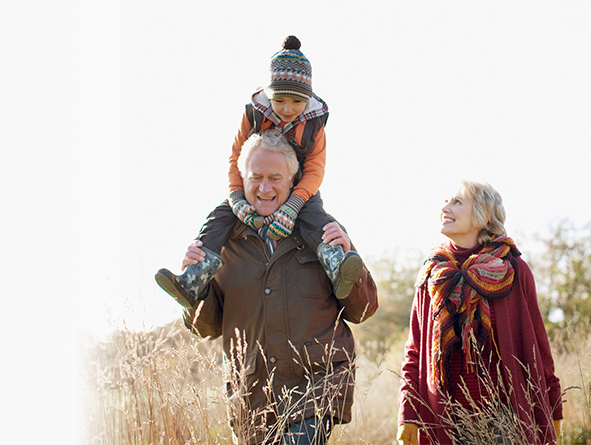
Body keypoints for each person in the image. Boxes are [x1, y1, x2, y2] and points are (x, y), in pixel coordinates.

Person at [179, 129, 378, 445]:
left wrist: (350, 257)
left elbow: (363, 310)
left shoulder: (322, 233)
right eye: (256, 177)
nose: (264, 187)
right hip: (251, 400)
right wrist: (196, 286)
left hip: (315, 389)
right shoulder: (222, 244)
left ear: (293, 180)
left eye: (275, 177)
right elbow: (206, 328)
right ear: (242, 179)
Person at [155, 35, 362, 310]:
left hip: (300, 189)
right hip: (248, 190)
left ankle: (335, 265)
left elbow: (315, 170)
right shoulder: (254, 113)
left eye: (297, 102)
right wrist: (236, 196)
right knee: (218, 218)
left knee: (316, 219)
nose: (288, 109)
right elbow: (235, 158)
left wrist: (295, 203)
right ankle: (193, 278)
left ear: (308, 98)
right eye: (280, 101)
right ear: (270, 94)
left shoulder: (315, 123)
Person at [397, 181, 563, 444]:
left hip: (505, 420)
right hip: (446, 418)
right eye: (445, 200)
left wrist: (553, 403)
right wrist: (408, 412)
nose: (445, 207)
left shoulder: (514, 270)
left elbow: (538, 347)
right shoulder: (432, 275)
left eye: (457, 202)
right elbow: (415, 351)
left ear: (483, 216)